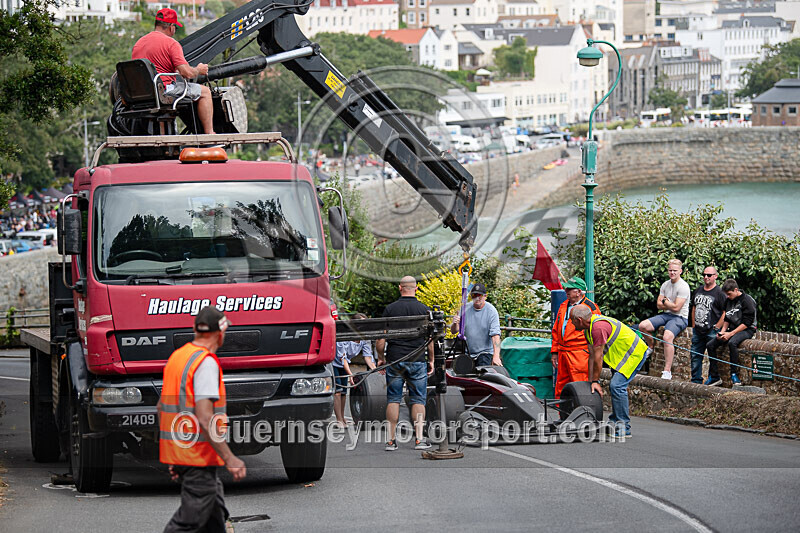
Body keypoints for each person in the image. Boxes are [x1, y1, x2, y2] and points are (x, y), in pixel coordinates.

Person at [158, 306, 246, 533]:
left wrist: (176, 455)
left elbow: (162, 407)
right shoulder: (205, 363)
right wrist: (230, 459)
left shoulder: (178, 357)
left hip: (188, 455)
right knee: (186, 524)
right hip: (198, 457)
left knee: (214, 519)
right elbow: (206, 418)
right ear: (220, 333)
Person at [570, 304, 650, 438]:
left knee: (617, 386)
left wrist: (596, 380)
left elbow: (598, 357)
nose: (572, 325)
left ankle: (624, 427)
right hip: (620, 358)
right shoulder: (588, 329)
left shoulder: (598, 328)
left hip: (634, 354)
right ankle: (615, 421)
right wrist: (591, 382)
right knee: (615, 387)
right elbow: (591, 357)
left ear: (579, 320)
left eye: (572, 321)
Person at [132, 8, 215, 135]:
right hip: (163, 91)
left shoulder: (139, 43)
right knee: (205, 92)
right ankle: (209, 133)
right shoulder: (171, 44)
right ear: (171, 27)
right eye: (175, 27)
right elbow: (187, 73)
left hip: (141, 94)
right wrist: (199, 70)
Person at [376, 276, 434, 451]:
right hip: (417, 360)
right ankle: (418, 439)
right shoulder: (424, 309)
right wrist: (430, 359)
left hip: (395, 359)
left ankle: (391, 441)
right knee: (418, 399)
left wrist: (381, 357)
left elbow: (381, 339)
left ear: (400, 288)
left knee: (393, 399)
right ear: (416, 289)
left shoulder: (390, 309)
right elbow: (430, 339)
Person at [638, 258, 690, 380]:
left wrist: (665, 302)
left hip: (680, 317)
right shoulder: (665, 284)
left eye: (675, 271)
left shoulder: (683, 286)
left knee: (667, 337)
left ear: (680, 271)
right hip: (666, 315)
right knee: (642, 326)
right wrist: (668, 304)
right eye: (670, 270)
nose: (672, 273)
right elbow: (658, 305)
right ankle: (650, 346)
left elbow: (677, 308)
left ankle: (667, 371)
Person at [550, 277, 601, 398]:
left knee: (580, 385)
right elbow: (556, 330)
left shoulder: (591, 308)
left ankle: (581, 412)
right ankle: (562, 414)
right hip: (563, 352)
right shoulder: (564, 305)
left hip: (579, 353)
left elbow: (596, 331)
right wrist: (554, 352)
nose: (566, 290)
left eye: (569, 289)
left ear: (578, 292)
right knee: (561, 386)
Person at [704, 279, 757, 387]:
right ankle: (714, 376)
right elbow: (727, 318)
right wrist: (722, 332)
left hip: (746, 329)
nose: (727, 296)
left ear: (736, 290)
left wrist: (730, 334)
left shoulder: (747, 301)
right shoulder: (728, 300)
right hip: (731, 329)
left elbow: (747, 323)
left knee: (732, 343)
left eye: (729, 294)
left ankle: (734, 375)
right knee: (710, 345)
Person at [333, 313, 373, 425]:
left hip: (344, 363)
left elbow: (368, 356)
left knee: (344, 392)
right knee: (337, 392)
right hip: (334, 363)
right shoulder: (344, 336)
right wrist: (351, 374)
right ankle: (339, 419)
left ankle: (343, 418)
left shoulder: (364, 339)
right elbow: (342, 358)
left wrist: (375, 370)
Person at [449, 282, 502, 368]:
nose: (477, 298)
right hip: (468, 352)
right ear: (471, 297)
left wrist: (496, 356)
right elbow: (453, 331)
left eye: (479, 295)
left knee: (483, 370)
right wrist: (455, 323)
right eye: (474, 295)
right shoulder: (464, 308)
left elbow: (495, 335)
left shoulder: (491, 311)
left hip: (485, 352)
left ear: (485, 296)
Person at [689, 266, 727, 384]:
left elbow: (726, 312)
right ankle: (696, 380)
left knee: (713, 356)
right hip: (698, 330)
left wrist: (717, 326)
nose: (706, 277)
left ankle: (712, 378)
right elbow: (694, 307)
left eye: (709, 275)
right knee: (695, 356)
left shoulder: (720, 293)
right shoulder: (698, 290)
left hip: (712, 330)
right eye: (704, 275)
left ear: (715, 276)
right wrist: (694, 324)